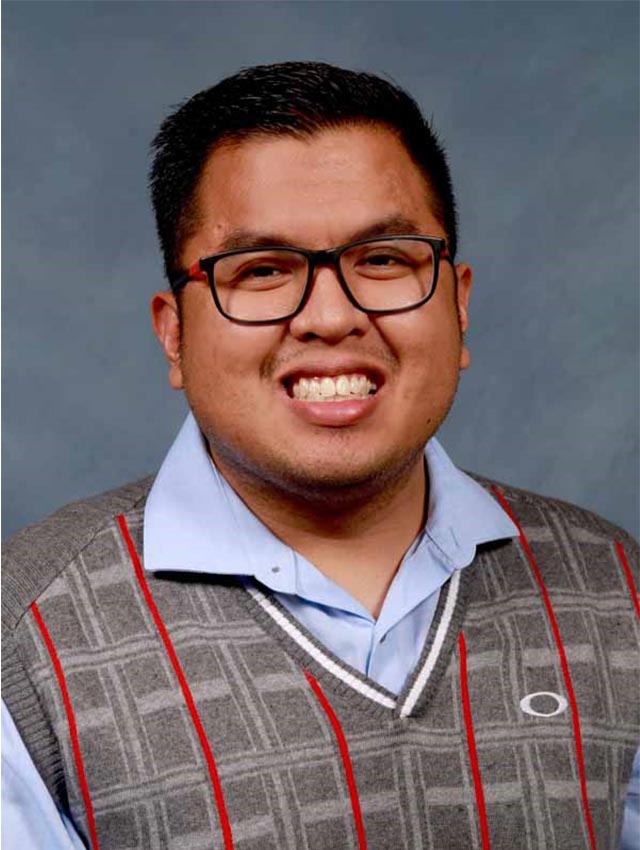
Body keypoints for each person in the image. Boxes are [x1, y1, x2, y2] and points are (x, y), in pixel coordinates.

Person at [2, 61, 638, 850]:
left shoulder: (620, 592)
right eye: (262, 270)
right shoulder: (20, 639)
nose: (331, 317)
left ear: (459, 302)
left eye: (383, 259)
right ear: (174, 332)